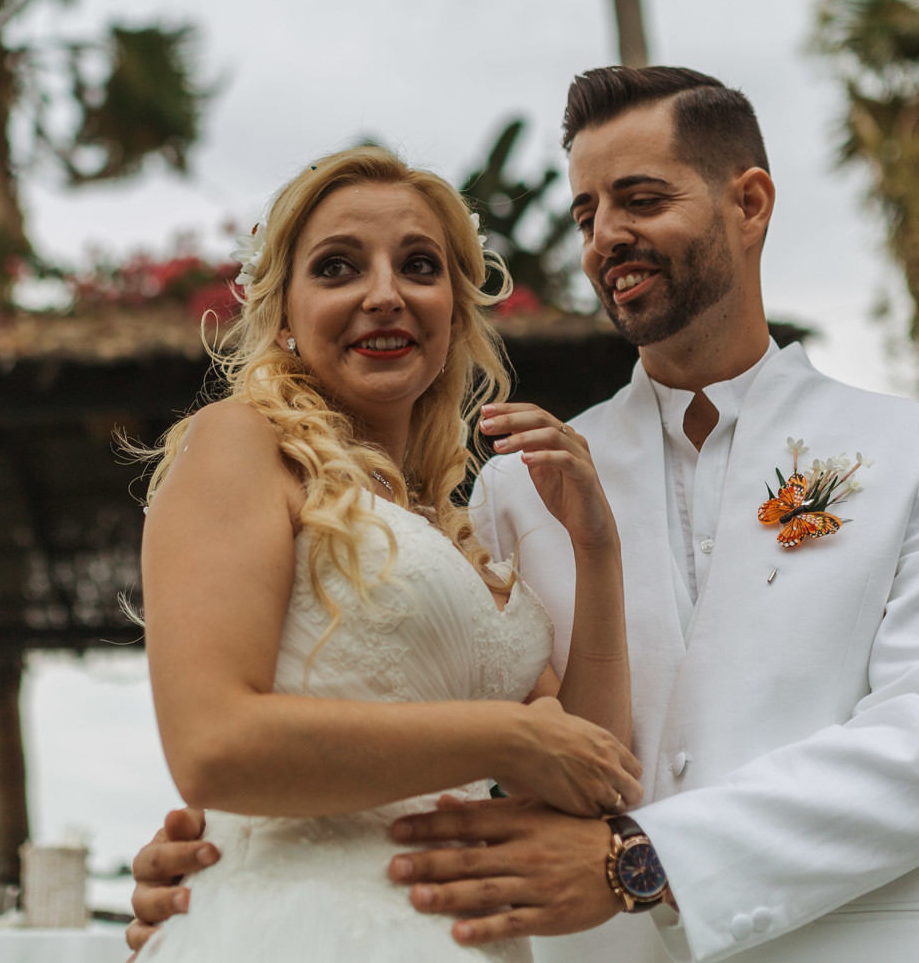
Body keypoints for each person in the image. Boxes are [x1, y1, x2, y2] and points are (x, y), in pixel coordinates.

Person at [128, 67, 919, 963]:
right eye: (587, 214)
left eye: (639, 199)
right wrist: (225, 859)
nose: (608, 237)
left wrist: (643, 859)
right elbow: (457, 747)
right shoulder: (517, 487)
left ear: (749, 203)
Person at [131, 144, 645, 962]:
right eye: (337, 267)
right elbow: (213, 746)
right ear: (286, 315)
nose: (384, 294)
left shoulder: (456, 535)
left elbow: (593, 775)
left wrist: (598, 548)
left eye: (418, 265)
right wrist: (504, 739)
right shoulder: (241, 446)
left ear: (452, 312)